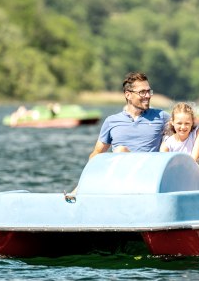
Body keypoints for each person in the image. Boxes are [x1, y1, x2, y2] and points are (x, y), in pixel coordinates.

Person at [65, 71, 169, 201]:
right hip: (119, 178)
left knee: (121, 150)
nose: (147, 96)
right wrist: (85, 182)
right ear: (128, 95)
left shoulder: (161, 117)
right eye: (142, 92)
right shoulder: (111, 121)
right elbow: (96, 154)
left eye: (149, 91)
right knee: (119, 150)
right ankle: (79, 191)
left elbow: (187, 128)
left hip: (148, 178)